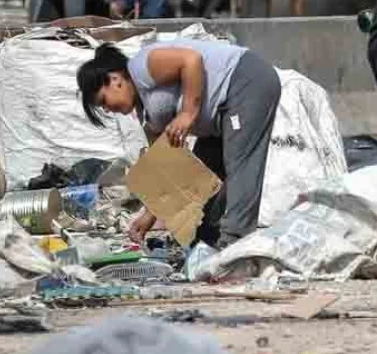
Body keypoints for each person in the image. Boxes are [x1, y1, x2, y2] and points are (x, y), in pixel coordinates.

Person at [77, 39, 281, 249]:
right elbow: (171, 170)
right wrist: (150, 215)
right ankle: (206, 243)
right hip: (217, 115)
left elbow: (191, 60)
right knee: (201, 179)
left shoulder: (142, 66)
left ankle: (236, 246)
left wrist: (187, 114)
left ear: (115, 79)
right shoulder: (148, 115)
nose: (108, 109)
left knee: (240, 165)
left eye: (103, 101)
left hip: (245, 82)